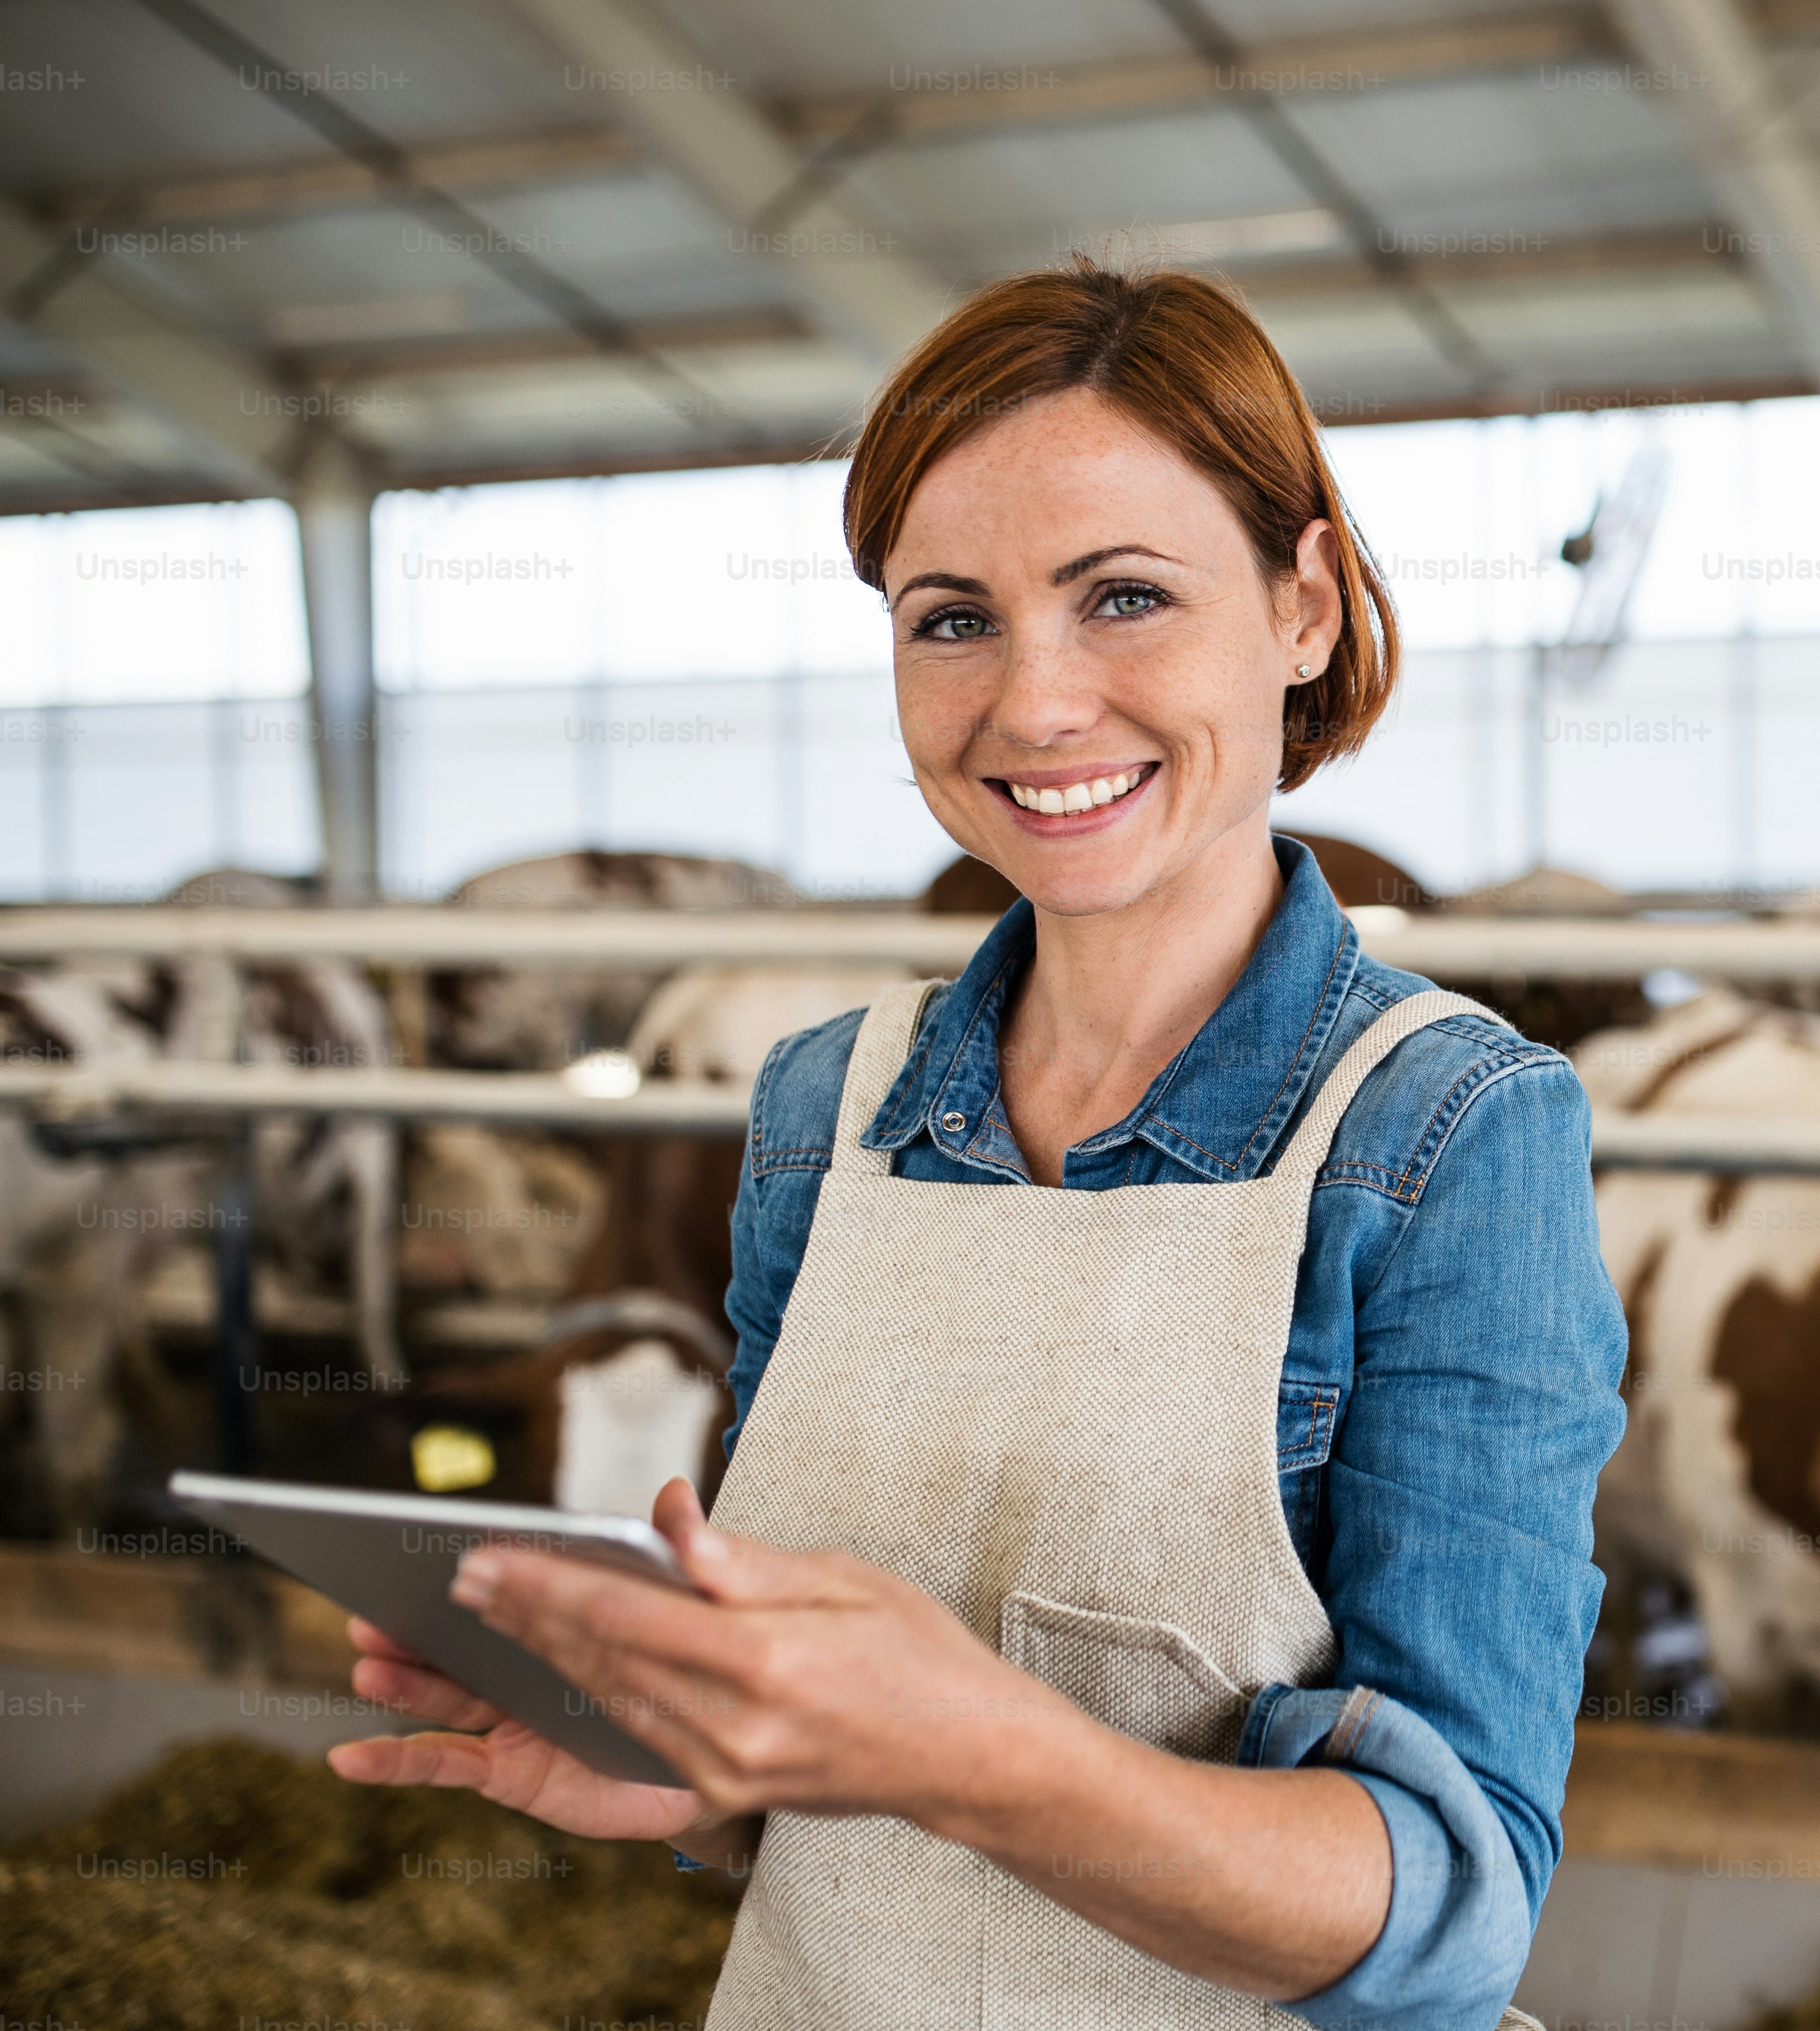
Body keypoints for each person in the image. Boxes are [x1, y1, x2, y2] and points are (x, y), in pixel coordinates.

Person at [327, 260, 1626, 2031]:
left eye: (1125, 598)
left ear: (1305, 603)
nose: (1034, 704)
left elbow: (1454, 1920)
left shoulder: (1448, 1136)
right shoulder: (821, 1113)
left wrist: (982, 1759)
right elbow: (808, 1775)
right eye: (953, 618)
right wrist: (685, 1776)